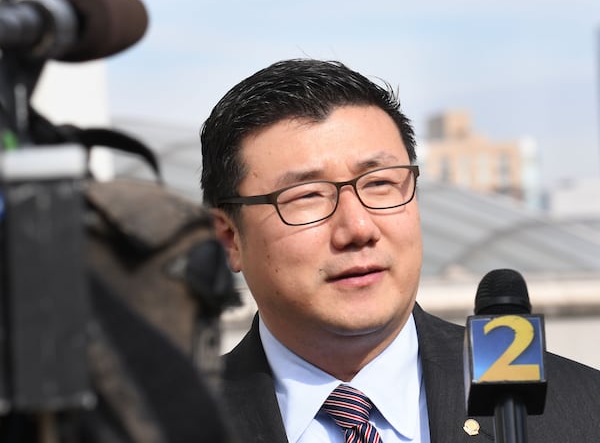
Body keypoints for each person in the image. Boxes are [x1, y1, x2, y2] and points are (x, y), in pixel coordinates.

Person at [200, 59, 600, 442]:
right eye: (307, 196)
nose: (358, 228)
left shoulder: (582, 412)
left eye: (380, 184)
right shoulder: (168, 424)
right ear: (230, 238)